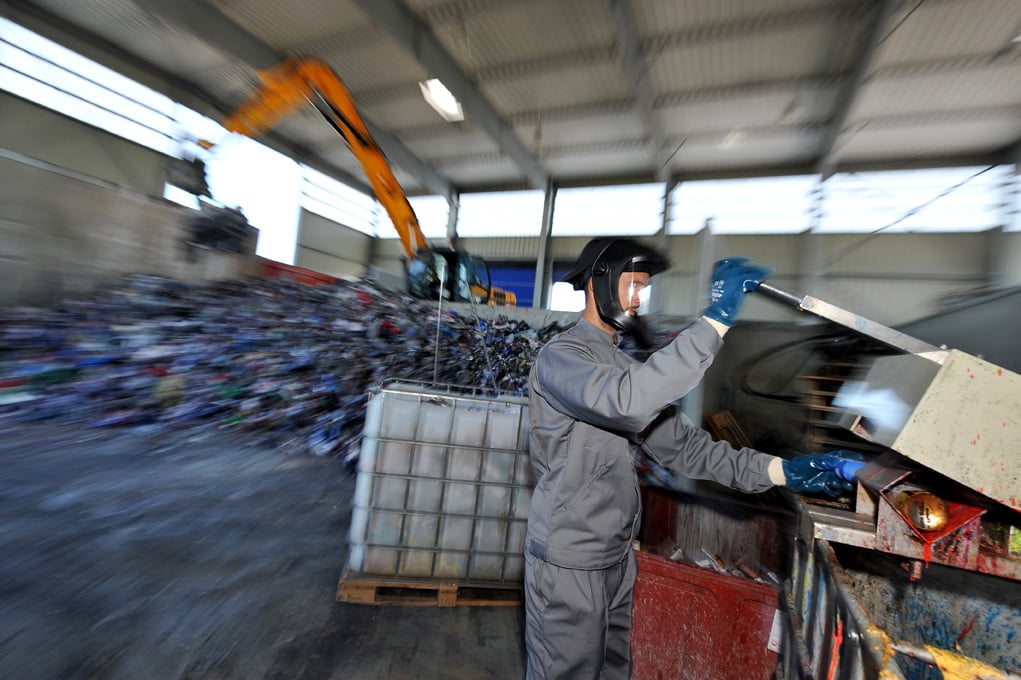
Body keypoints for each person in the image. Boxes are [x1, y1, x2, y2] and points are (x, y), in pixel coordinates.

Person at [523, 237, 858, 680]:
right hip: (569, 560)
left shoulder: (620, 366)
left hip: (615, 555)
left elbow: (685, 447)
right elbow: (627, 402)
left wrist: (782, 471)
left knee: (612, 670)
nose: (640, 299)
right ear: (599, 282)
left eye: (645, 288)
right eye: (634, 285)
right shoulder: (562, 359)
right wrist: (714, 321)